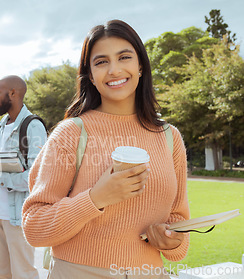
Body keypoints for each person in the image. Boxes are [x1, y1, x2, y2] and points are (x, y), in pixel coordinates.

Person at [21, 20, 189, 278]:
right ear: (90, 74)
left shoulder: (169, 137)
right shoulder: (71, 133)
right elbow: (35, 228)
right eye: (101, 62)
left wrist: (173, 241)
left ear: (140, 65)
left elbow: (179, 220)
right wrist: (95, 198)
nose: (114, 69)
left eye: (124, 57)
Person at [0, 75, 47, 279]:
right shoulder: (3, 123)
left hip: (17, 217)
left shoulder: (33, 126)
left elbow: (37, 178)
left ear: (13, 93)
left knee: (23, 273)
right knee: (3, 273)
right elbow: (4, 164)